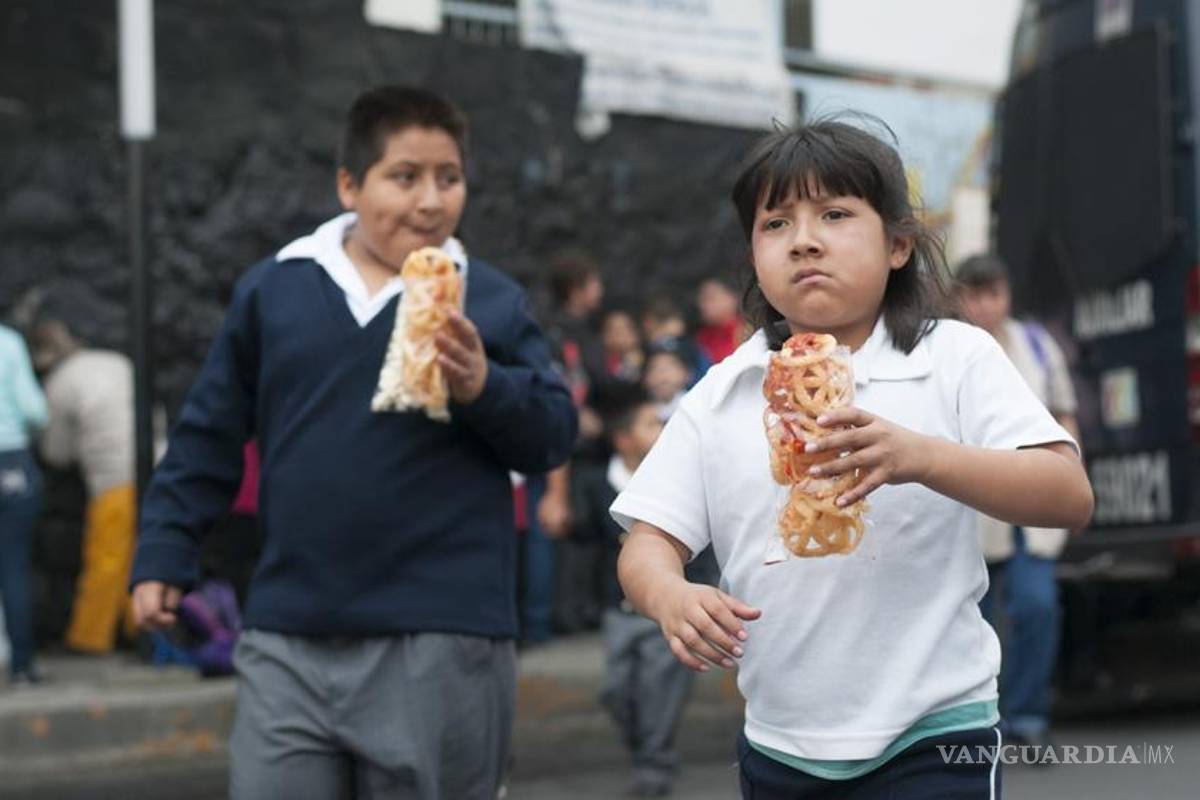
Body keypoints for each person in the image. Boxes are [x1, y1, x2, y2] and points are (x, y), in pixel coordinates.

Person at [612, 118, 1094, 799]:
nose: (804, 239)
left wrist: (920, 457)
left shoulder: (953, 357)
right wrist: (669, 594)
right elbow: (647, 541)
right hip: (780, 744)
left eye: (834, 214)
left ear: (898, 244)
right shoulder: (723, 390)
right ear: (753, 254)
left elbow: (1067, 493)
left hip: (935, 734)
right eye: (775, 223)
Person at [129, 85, 576, 799]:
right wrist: (163, 550)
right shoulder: (275, 290)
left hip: (441, 635)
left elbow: (552, 435)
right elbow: (207, 435)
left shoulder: (488, 300)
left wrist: (483, 385)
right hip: (288, 633)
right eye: (405, 177)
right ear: (349, 185)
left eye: (449, 178)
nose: (430, 202)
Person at [957, 253, 1081, 751]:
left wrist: (1072, 478)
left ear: (1006, 294)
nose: (985, 305)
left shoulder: (1035, 343)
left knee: (1037, 605)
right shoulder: (948, 348)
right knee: (974, 621)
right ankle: (984, 719)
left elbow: (1064, 412)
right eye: (974, 295)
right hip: (972, 507)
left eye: (993, 294)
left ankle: (1028, 714)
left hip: (1034, 502)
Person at [575, 386, 715, 796]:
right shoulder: (600, 483)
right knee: (616, 689)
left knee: (661, 689)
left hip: (664, 608)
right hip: (617, 609)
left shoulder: (681, 479)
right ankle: (645, 748)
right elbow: (587, 541)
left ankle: (656, 761)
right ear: (623, 439)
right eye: (651, 424)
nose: (662, 429)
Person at [28, 283, 137, 656]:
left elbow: (55, 452)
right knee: (142, 557)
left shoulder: (61, 381)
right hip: (157, 467)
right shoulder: (116, 361)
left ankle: (89, 639)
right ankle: (142, 631)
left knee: (105, 558)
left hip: (113, 477)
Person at [0, 322, 48, 686]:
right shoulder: (8, 342)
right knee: (14, 567)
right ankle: (21, 667)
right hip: (11, 462)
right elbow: (35, 411)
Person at [693, 276, 745, 366]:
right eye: (701, 299)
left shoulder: (747, 330)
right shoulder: (702, 337)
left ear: (732, 298)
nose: (703, 305)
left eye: (710, 298)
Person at [642, 347, 692, 421]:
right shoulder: (641, 415)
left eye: (669, 368)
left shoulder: (696, 405)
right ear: (645, 378)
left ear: (687, 374)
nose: (662, 375)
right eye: (654, 368)